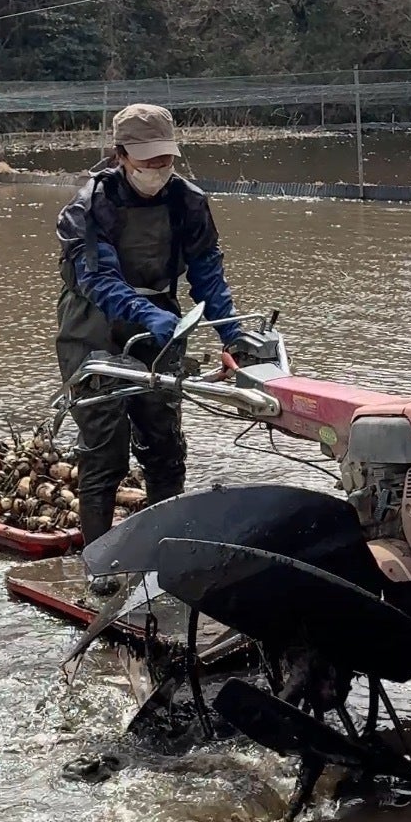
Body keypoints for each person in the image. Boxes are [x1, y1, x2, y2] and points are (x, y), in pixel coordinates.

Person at [54, 103, 246, 566]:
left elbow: (208, 275)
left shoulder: (188, 202)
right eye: (148, 161)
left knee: (165, 446)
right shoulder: (88, 208)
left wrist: (231, 335)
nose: (158, 169)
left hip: (161, 317)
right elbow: (99, 281)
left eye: (166, 159)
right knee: (105, 453)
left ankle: (163, 554)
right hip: (93, 326)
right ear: (121, 155)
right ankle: (98, 564)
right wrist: (146, 314)